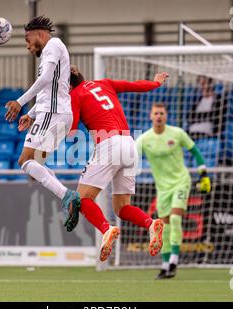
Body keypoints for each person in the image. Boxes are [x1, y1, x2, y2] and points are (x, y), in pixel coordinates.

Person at [66, 66, 170, 262]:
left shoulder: (75, 95)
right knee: (121, 208)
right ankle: (150, 223)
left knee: (82, 198)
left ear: (67, 84)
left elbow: (71, 132)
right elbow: (137, 86)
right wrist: (156, 82)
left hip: (108, 144)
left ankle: (106, 229)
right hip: (129, 144)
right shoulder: (105, 83)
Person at [4, 16, 79, 232]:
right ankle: (68, 199)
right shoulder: (52, 51)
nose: (28, 47)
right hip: (54, 114)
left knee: (25, 161)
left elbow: (46, 79)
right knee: (35, 166)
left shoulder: (53, 45)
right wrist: (32, 113)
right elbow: (50, 89)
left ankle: (68, 196)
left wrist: (20, 102)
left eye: (28, 40)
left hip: (54, 114)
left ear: (39, 34)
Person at [136, 102, 211, 279]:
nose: (159, 116)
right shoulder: (144, 140)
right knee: (164, 228)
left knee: (176, 219)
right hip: (162, 188)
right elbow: (131, 158)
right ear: (150, 116)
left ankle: (174, 262)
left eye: (161, 113)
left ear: (166, 116)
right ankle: (165, 265)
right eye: (156, 113)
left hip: (181, 182)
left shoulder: (177, 133)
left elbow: (195, 151)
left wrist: (203, 174)